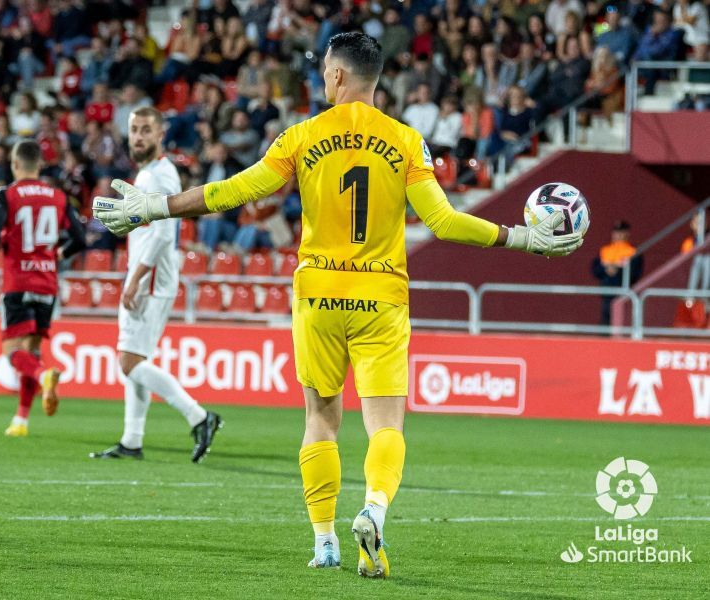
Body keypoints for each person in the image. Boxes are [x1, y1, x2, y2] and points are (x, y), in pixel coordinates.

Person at [93, 32, 583, 577]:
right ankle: (373, 509)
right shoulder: (405, 141)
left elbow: (234, 190)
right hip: (380, 298)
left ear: (339, 76)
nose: (322, 77)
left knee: (320, 420)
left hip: (318, 295)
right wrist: (522, 238)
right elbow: (443, 222)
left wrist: (157, 207)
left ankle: (323, 540)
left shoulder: (302, 136)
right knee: (386, 425)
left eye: (325, 70)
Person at [89, 107, 222, 463]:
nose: (138, 137)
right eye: (134, 130)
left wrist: (135, 278)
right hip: (149, 276)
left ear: (161, 134)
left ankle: (199, 416)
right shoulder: (148, 174)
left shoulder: (159, 176)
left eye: (146, 130)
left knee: (129, 362)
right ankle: (132, 440)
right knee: (134, 359)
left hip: (150, 279)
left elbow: (164, 233)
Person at [0, 140, 87, 437]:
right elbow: (79, 239)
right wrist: (59, 255)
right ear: (39, 165)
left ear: (15, 165)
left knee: (12, 353)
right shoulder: (58, 196)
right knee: (32, 350)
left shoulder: (7, 194)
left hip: (17, 280)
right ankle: (21, 420)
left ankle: (44, 376)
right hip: (46, 282)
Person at [591, 220, 643, 326]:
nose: (618, 235)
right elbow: (595, 269)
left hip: (624, 293)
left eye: (621, 232)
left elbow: (635, 273)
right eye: (616, 232)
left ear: (627, 234)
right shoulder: (606, 250)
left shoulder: (632, 251)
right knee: (606, 321)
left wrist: (617, 270)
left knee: (622, 322)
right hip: (607, 292)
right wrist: (606, 268)